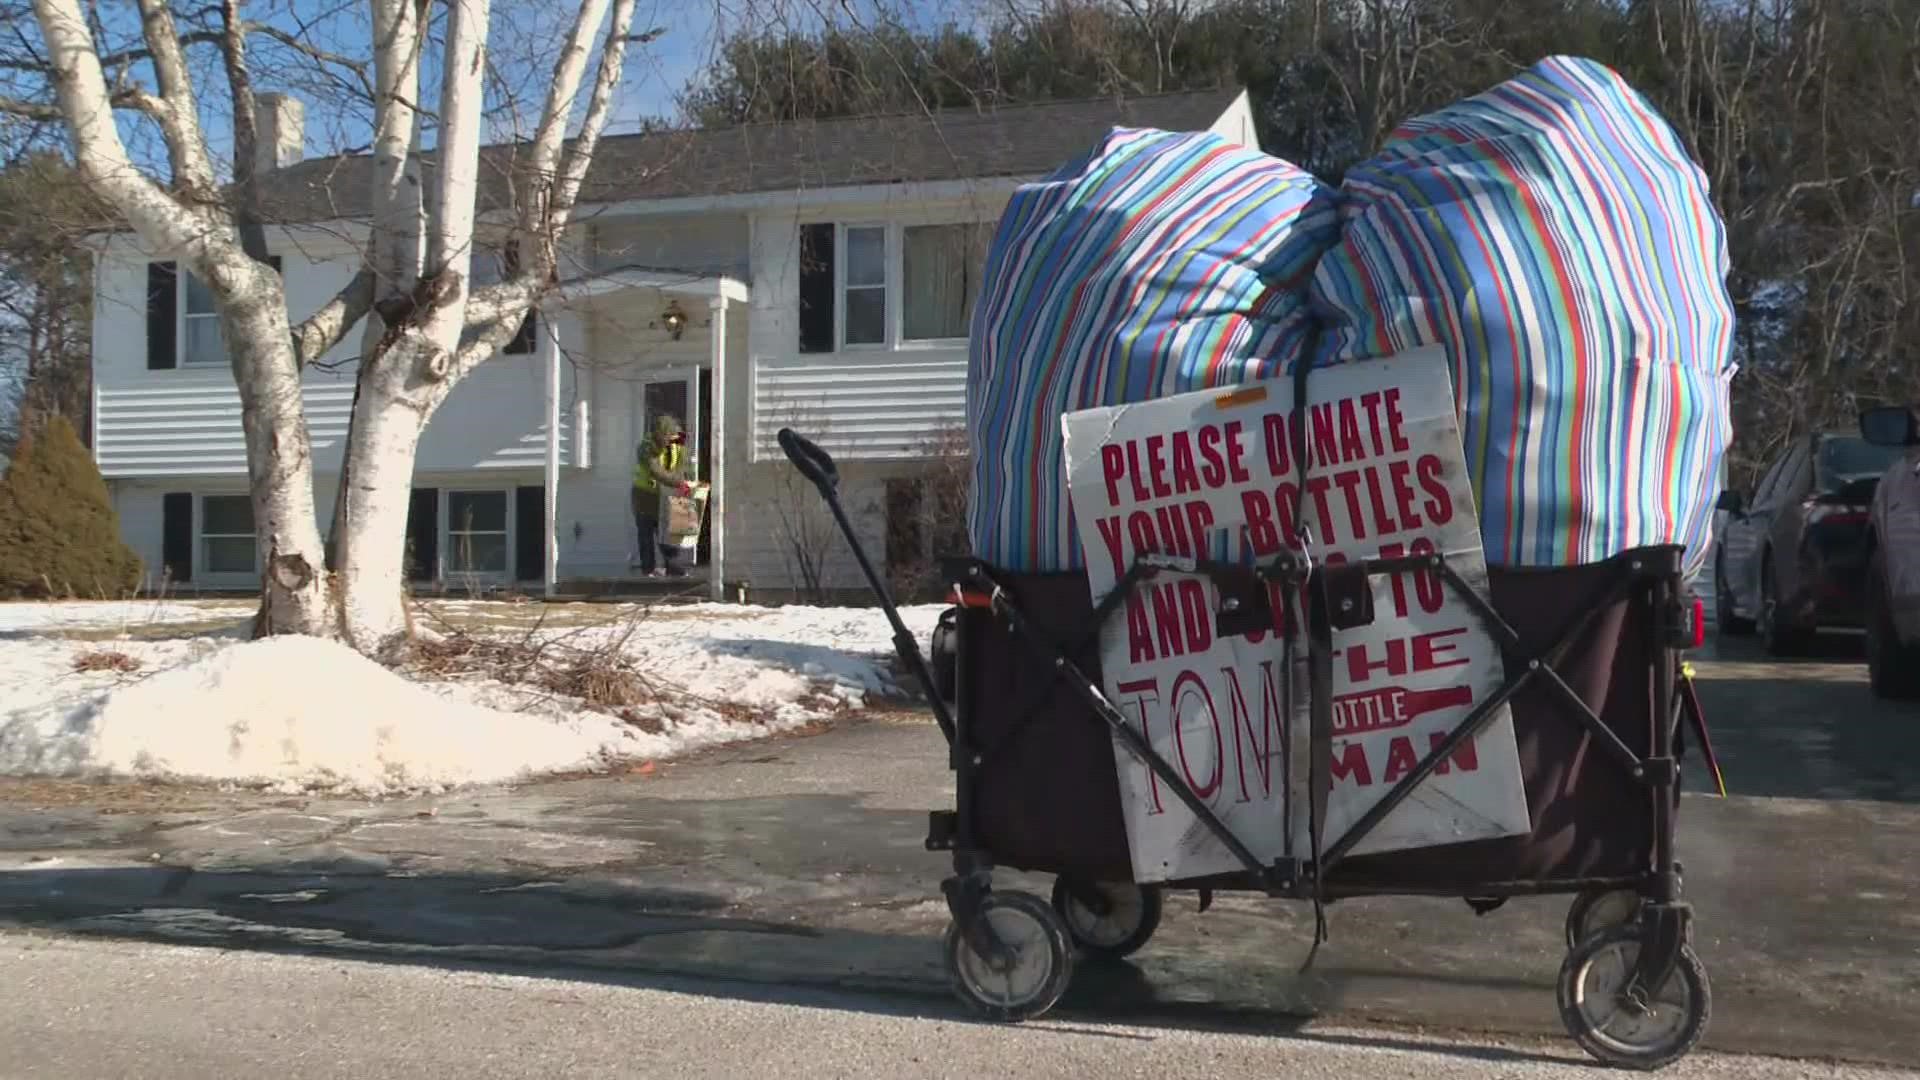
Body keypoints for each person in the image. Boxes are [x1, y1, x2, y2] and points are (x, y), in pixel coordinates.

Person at [631, 414, 694, 577]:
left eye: (675, 435)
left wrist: (685, 482)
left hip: (667, 494)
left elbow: (683, 467)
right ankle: (648, 570)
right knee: (646, 532)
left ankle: (672, 566)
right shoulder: (646, 447)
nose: (673, 439)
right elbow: (656, 471)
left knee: (669, 532)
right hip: (644, 495)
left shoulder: (679, 444)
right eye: (669, 436)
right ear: (660, 434)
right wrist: (678, 483)